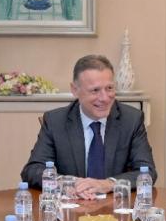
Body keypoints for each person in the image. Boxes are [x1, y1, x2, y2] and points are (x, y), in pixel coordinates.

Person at [20, 54, 157, 199]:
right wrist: (70, 183)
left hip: (115, 205)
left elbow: (147, 172)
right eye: (95, 90)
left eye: (109, 88)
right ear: (75, 90)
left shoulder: (131, 120)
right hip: (72, 205)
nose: (104, 98)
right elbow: (32, 170)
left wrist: (108, 184)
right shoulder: (55, 121)